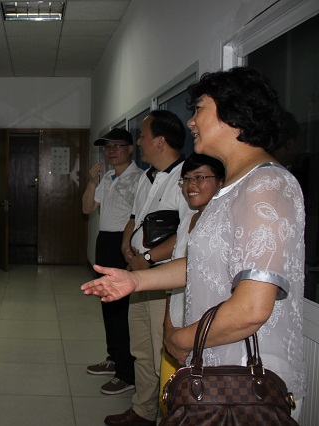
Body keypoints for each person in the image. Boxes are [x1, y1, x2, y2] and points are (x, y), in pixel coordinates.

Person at [82, 67, 306, 422]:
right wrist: (135, 281)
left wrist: (181, 339)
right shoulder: (233, 186)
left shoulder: (266, 185)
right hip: (213, 363)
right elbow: (203, 263)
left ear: (234, 115)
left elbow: (252, 308)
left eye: (199, 109)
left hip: (244, 379)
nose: (190, 122)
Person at [105, 110, 190, 426]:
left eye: (142, 136)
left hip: (163, 279)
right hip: (138, 274)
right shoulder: (146, 177)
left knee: (160, 352)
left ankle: (168, 415)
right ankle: (143, 410)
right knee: (140, 347)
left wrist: (149, 258)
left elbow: (187, 234)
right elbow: (134, 217)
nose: (139, 142)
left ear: (160, 141)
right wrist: (126, 245)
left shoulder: (187, 178)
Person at [159, 153, 224, 413]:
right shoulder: (189, 219)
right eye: (186, 179)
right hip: (177, 324)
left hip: (203, 332)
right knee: (170, 401)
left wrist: (185, 337)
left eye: (200, 177)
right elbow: (176, 276)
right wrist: (168, 326)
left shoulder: (222, 224)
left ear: (221, 181)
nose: (191, 185)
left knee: (197, 406)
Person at [82, 128, 141, 395]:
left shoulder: (139, 178)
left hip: (123, 243)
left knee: (121, 310)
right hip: (105, 241)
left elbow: (137, 218)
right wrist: (91, 182)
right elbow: (87, 208)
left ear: (130, 148)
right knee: (107, 302)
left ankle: (126, 373)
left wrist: (127, 247)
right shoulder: (107, 177)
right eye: (108, 147)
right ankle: (114, 357)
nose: (112, 151)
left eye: (118, 146)